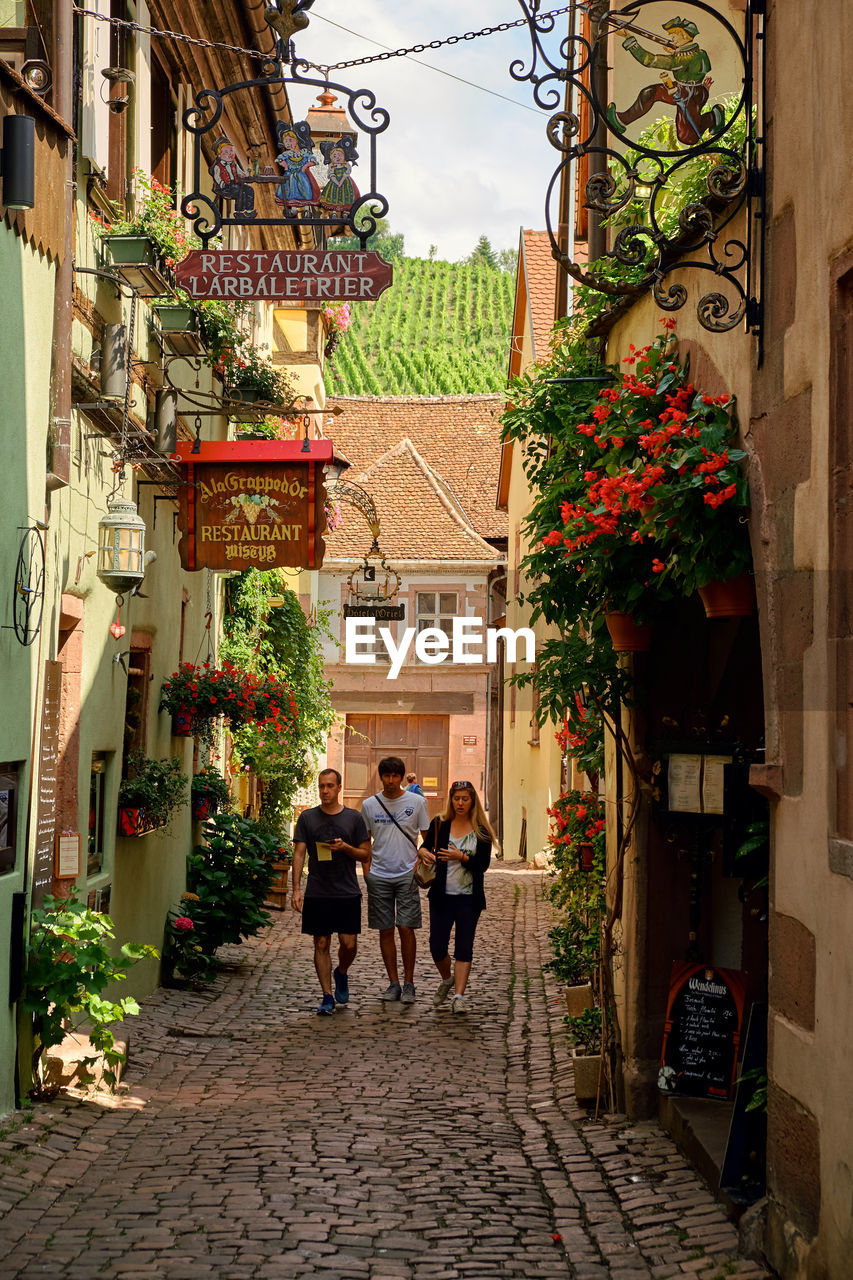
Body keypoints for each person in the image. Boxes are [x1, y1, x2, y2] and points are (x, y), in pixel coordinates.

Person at [291, 769, 371, 1016]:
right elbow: (299, 853)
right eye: (321, 786)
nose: (325, 791)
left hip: (346, 890)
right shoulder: (308, 818)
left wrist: (346, 847)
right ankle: (327, 995)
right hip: (318, 890)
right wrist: (296, 889)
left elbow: (365, 854)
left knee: (348, 944)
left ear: (339, 788)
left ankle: (342, 972)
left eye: (329, 786)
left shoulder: (354, 819)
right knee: (321, 942)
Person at [418, 780, 493, 1015]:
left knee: (464, 947)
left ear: (472, 801)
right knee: (436, 946)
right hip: (441, 895)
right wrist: (423, 853)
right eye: (456, 798)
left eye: (465, 799)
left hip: (468, 899)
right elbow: (425, 846)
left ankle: (459, 996)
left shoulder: (481, 830)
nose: (460, 803)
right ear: (451, 800)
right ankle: (447, 979)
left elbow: (483, 865)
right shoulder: (440, 824)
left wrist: (462, 857)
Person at [361, 756, 430, 1003]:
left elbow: (427, 837)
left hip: (407, 873)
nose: (390, 781)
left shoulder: (417, 802)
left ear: (402, 778)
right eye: (386, 776)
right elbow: (364, 841)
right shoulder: (369, 805)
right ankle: (393, 982)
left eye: (394, 776)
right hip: (379, 874)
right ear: (381, 777)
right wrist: (367, 872)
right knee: (385, 929)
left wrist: (420, 861)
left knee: (406, 927)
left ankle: (409, 982)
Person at [606, 17, 724, 147]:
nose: (672, 39)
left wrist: (628, 38)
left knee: (687, 137)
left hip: (689, 95)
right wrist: (677, 51)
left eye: (674, 35)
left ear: (684, 36)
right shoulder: (698, 53)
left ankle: (714, 116)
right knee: (650, 93)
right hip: (683, 89)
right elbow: (695, 66)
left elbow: (649, 60)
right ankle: (622, 120)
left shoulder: (682, 59)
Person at [208, 136, 256, 220]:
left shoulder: (234, 164)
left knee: (249, 189)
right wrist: (222, 183)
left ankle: (248, 211)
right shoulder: (218, 166)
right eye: (226, 152)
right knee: (239, 191)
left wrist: (242, 175)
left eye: (231, 151)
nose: (230, 153)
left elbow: (240, 172)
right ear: (219, 155)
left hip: (235, 183)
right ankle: (238, 212)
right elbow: (217, 177)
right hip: (224, 187)